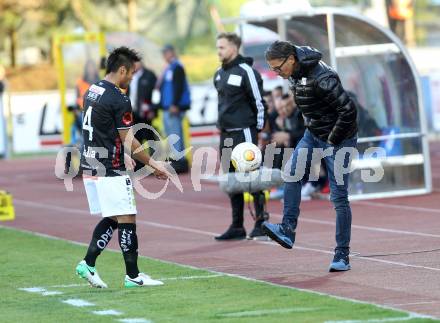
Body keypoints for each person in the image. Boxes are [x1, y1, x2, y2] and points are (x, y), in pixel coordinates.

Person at [76, 47, 172, 288]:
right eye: (132, 73)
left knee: (113, 216)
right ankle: (132, 275)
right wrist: (153, 163)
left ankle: (91, 264)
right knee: (127, 216)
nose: (132, 78)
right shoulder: (118, 98)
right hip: (110, 166)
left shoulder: (93, 89)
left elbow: (102, 127)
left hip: (91, 162)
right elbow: (129, 138)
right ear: (122, 70)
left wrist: (122, 151)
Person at [262, 41, 358, 272]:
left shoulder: (322, 77)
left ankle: (342, 255)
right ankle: (287, 229)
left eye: (278, 68)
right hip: (313, 133)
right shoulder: (295, 73)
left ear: (291, 60)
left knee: (338, 196)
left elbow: (348, 111)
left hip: (338, 138)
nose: (276, 73)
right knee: (292, 174)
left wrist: (332, 142)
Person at [214, 32, 268, 240]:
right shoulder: (219, 74)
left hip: (244, 131)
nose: (219, 51)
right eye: (217, 47)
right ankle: (237, 226)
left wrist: (257, 129)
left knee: (252, 176)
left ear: (234, 48)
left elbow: (259, 101)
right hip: (225, 134)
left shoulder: (247, 72)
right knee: (231, 180)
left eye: (222, 47)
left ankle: (261, 221)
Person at [158, 44, 191, 173]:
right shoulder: (170, 68)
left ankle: (178, 160)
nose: (164, 56)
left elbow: (178, 87)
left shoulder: (177, 67)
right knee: (172, 134)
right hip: (168, 107)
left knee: (174, 134)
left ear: (171, 53)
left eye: (166, 53)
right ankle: (178, 160)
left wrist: (175, 104)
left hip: (173, 107)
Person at [127, 60, 159, 170]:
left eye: (136, 62)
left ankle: (155, 163)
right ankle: (139, 164)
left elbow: (156, 92)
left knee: (150, 137)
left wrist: (153, 109)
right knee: (135, 138)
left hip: (146, 112)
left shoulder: (150, 75)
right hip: (132, 113)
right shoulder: (129, 76)